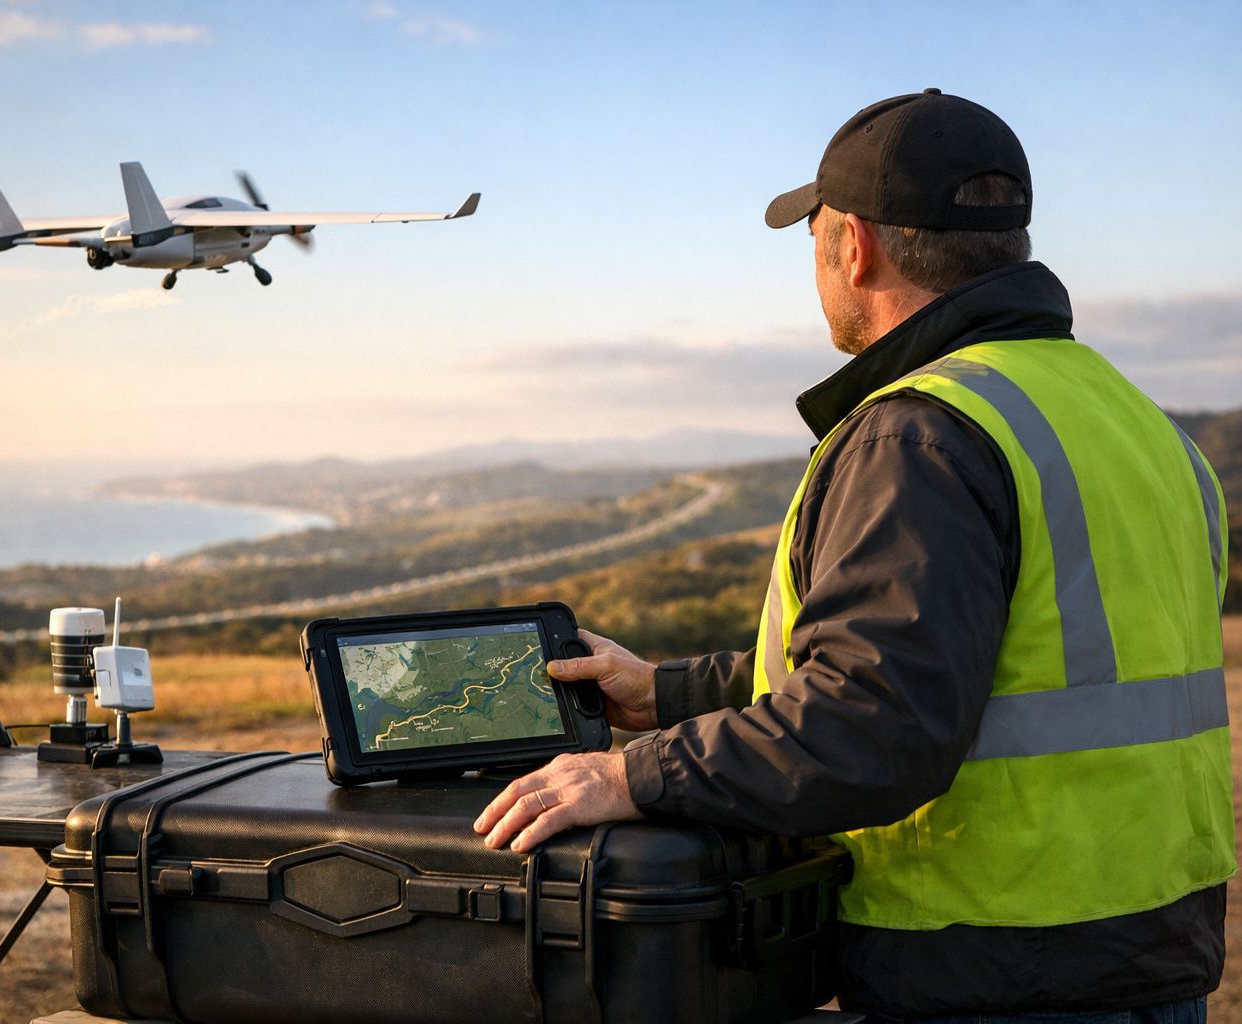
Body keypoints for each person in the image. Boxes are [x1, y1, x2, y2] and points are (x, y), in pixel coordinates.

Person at [473, 89, 1233, 1017]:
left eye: (815, 238)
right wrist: (666, 694)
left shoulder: (922, 435)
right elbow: (985, 665)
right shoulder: (1139, 425)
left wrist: (633, 772)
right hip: (1146, 954)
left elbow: (875, 724)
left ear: (856, 247)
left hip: (988, 964)